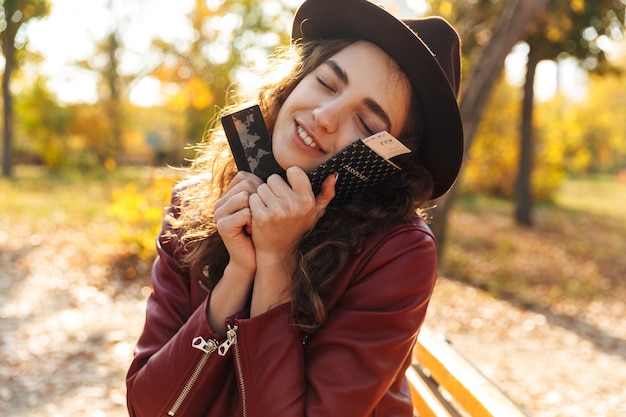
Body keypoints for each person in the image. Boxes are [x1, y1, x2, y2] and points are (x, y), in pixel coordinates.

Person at [126, 0, 463, 415]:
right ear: (294, 81)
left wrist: (276, 263)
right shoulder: (194, 203)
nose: (325, 116)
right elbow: (148, 407)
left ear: (389, 159)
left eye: (368, 124)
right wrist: (237, 276)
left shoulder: (397, 253)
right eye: (326, 83)